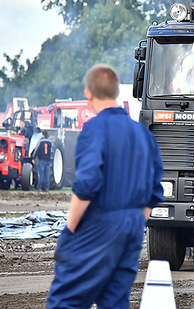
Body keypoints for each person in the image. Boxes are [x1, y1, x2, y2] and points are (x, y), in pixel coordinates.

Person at [47, 64, 164, 309]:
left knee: (66, 299)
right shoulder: (143, 134)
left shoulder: (94, 129)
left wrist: (70, 229)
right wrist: (132, 223)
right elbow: (154, 193)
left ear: (88, 93)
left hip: (101, 224)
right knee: (115, 301)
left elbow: (88, 185)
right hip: (134, 226)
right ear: (116, 92)